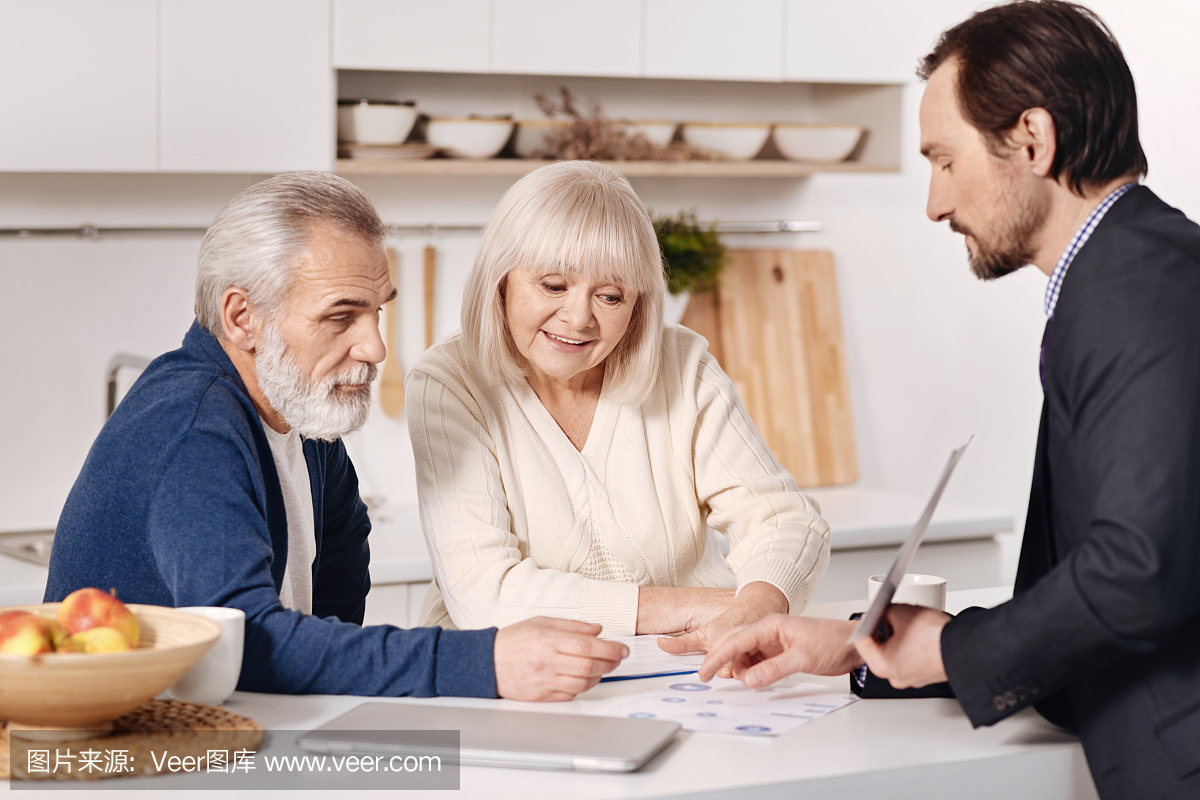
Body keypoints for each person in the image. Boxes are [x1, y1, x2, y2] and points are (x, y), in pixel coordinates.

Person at [699, 2, 1200, 796]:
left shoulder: (1134, 290)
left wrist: (950, 652)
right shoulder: (1131, 272)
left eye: (944, 160)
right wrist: (871, 644)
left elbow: (1136, 572)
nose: (934, 203)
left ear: (1031, 140)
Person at [45, 171, 627, 702]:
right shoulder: (192, 426)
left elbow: (338, 587)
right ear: (243, 318)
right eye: (341, 316)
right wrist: (485, 661)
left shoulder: (306, 415)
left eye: (377, 312)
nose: (374, 347)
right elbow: (244, 642)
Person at [406, 160, 830, 658]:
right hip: (513, 684)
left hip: (682, 673)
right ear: (500, 281)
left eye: (610, 295)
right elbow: (487, 596)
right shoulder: (448, 383)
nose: (579, 317)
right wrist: (694, 607)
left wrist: (758, 604)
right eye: (553, 285)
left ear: (638, 304)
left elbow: (784, 520)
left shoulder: (682, 364)